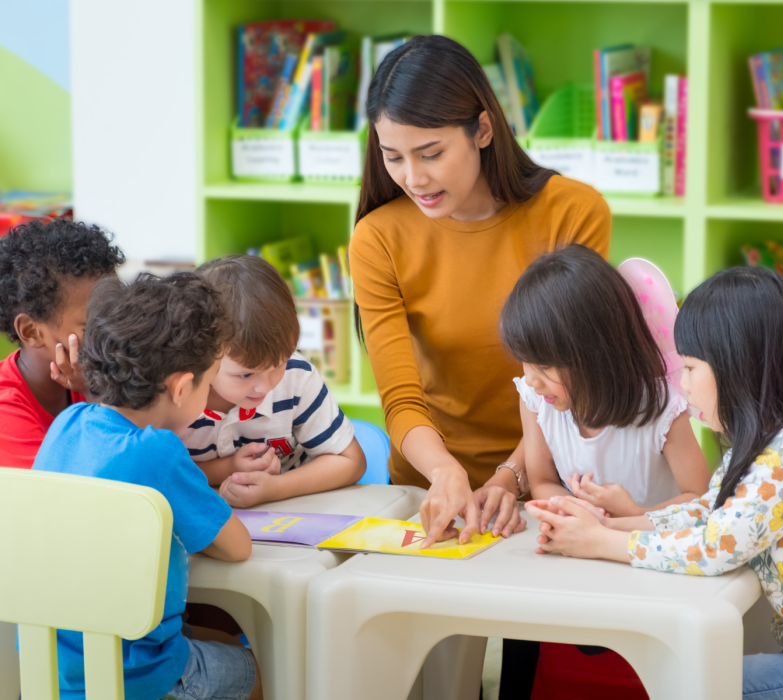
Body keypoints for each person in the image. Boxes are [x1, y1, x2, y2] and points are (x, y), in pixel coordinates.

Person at [349, 34, 611, 549]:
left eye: (430, 153)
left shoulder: (573, 213)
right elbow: (400, 399)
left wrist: (511, 476)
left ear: (483, 130)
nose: (413, 178)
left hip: (554, 481)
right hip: (428, 488)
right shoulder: (378, 237)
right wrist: (444, 472)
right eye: (392, 157)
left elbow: (573, 378)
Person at [528, 266, 783, 698]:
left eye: (689, 367)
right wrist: (611, 525)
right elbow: (709, 510)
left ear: (740, 366)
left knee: (692, 684)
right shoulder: (764, 445)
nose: (682, 385)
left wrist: (601, 543)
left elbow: (716, 547)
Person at [32, 271, 262, 700]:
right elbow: (237, 547)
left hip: (52, 670)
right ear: (181, 388)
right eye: (210, 381)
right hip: (136, 677)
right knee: (264, 671)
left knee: (215, 641)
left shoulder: (67, 424)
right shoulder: (158, 452)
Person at [500, 245, 710, 517]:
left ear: (596, 353)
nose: (530, 380)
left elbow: (700, 499)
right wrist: (582, 512)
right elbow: (543, 482)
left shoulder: (661, 409)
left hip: (648, 540)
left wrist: (630, 515)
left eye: (544, 366)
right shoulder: (536, 402)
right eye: (524, 360)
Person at [180, 255, 366, 508]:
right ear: (201, 354)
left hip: (292, 513)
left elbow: (351, 461)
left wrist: (276, 488)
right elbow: (153, 472)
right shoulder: (177, 394)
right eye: (245, 375)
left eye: (278, 365)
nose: (265, 387)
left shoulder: (297, 376)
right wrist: (227, 468)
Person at [0, 218, 125, 468]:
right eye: (93, 325)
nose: (118, 332)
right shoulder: (6, 409)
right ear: (31, 332)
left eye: (119, 314)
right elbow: (90, 480)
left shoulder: (104, 366)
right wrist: (94, 394)